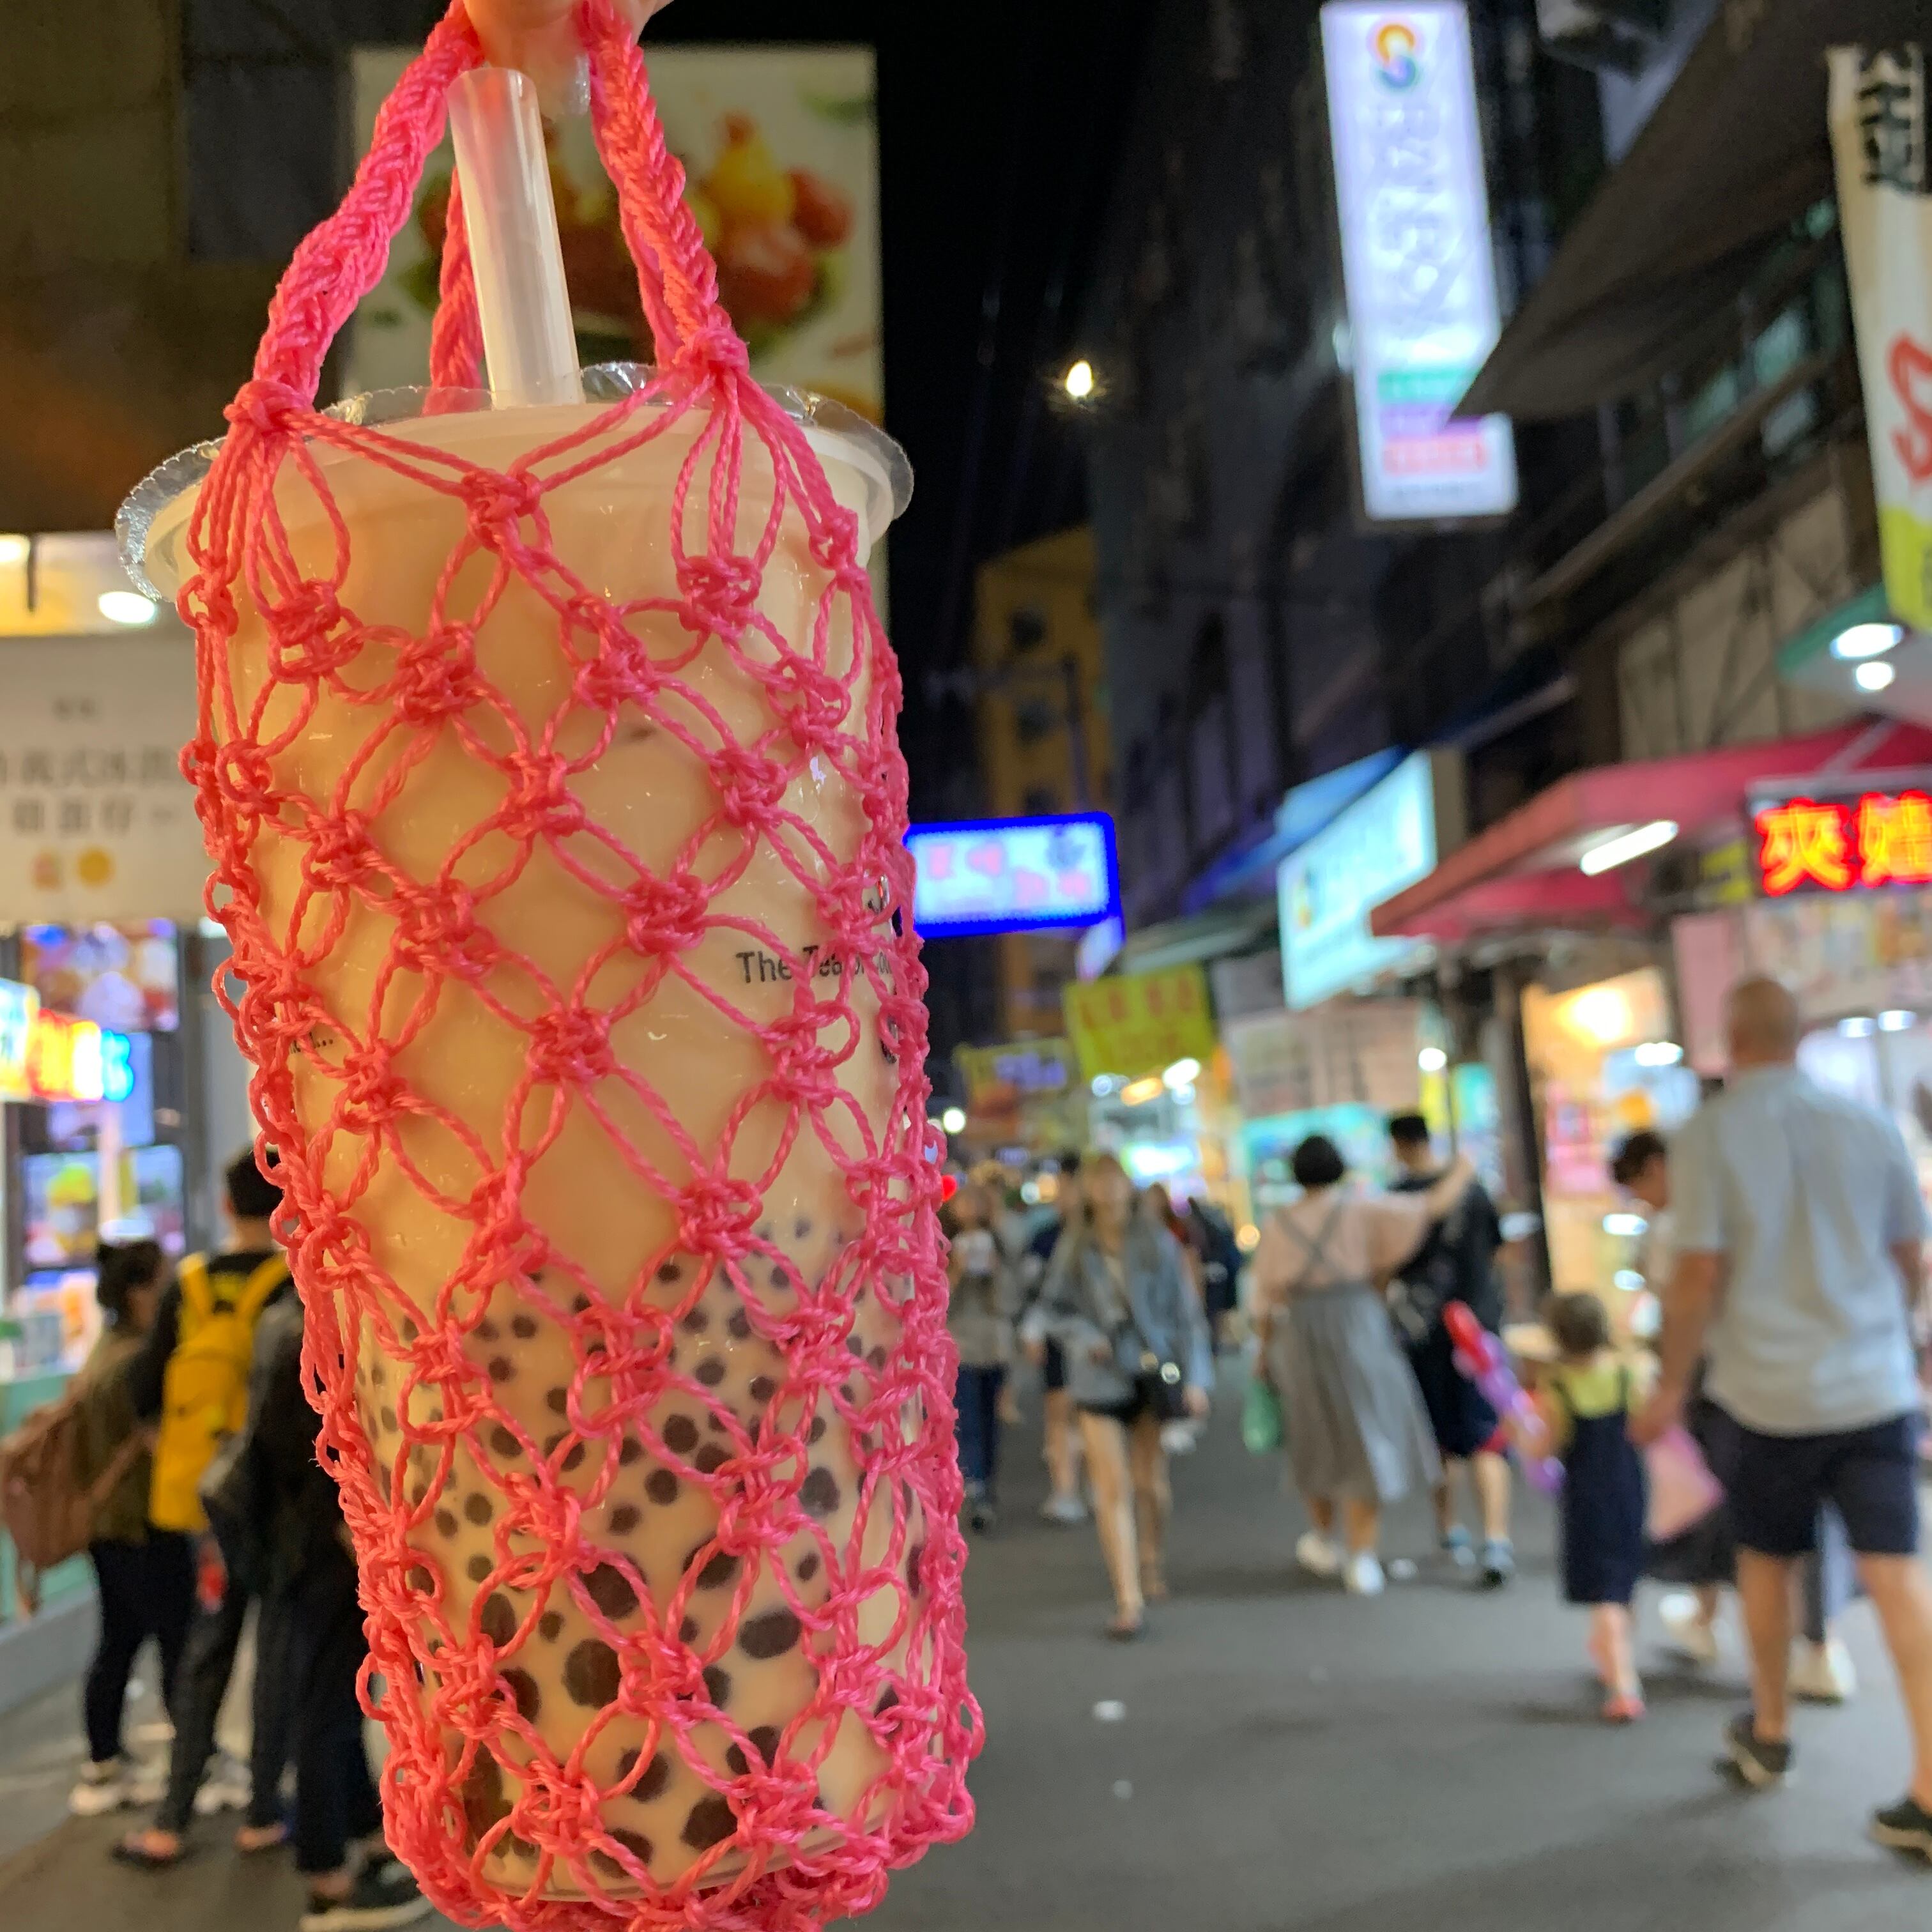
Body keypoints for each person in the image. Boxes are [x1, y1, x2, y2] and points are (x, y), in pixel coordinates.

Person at [1634, 976, 1932, 1856]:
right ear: (1800, 1037)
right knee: (1897, 1577)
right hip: (1874, 1388)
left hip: (1764, 1396)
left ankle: (1770, 1733)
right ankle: (1929, 1786)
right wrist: (1897, 1334)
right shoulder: (1870, 1123)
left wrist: (1667, 1386)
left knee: (1767, 1561)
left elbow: (1697, 1276)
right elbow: (1911, 1255)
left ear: (1731, 1040)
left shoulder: (1709, 1134)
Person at [1614, 1128, 1860, 1700]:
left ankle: (1764, 1665)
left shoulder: (1682, 1228)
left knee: (1741, 1519)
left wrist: (1668, 1388)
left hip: (1728, 1386)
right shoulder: (1779, 1210)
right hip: (1810, 1379)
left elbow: (1682, 1310)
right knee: (1800, 1517)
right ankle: (1813, 1646)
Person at [118, 1147, 296, 1867]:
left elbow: (142, 1388)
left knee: (206, 1651)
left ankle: (172, 1818)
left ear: (227, 1205)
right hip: (278, 1506)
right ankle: (263, 1812)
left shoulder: (187, 1284)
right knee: (277, 1652)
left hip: (211, 1509)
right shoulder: (295, 1283)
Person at [250, 1275, 428, 1928]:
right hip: (332, 1554)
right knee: (326, 1707)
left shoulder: (294, 1324)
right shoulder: (326, 1334)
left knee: (338, 1701)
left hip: (314, 1551)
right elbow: (318, 1454)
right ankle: (327, 1881)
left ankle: (366, 1837)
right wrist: (355, 1538)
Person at [1250, 1137, 1469, 1597]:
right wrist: (1464, 1168)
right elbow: (1429, 1207)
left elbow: (1265, 1299)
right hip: (1359, 1324)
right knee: (1366, 1434)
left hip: (1300, 1331)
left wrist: (1263, 1352)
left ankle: (1323, 1538)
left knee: (1313, 1438)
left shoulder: (1278, 1223)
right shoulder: (1361, 1209)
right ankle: (1362, 1554)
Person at [1025, 1152, 1213, 1639]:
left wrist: (1197, 1378)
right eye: (1098, 1182)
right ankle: (1128, 1599)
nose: (1107, 1190)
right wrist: (1082, 1335)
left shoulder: (1156, 1241)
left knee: (1151, 1486)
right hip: (1098, 1377)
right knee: (1111, 1489)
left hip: (1151, 1372)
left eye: (1115, 1181)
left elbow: (1186, 1314)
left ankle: (1150, 1560)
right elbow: (1052, 1306)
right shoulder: (1074, 1245)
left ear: (1129, 1187)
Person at [68, 1239, 195, 1815]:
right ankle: (190, 1762)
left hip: (109, 1526)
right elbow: (155, 1441)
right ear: (140, 1293)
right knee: (176, 1642)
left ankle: (104, 1761)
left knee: (119, 1640)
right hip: (144, 1522)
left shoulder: (101, 1355)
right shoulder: (136, 1363)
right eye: (164, 1283)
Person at [1386, 1112, 1515, 1586]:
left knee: (1437, 1437)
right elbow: (1497, 1253)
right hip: (1478, 1327)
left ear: (1399, 1144)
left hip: (1423, 1331)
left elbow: (1389, 1263)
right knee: (1486, 1434)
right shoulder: (1474, 1191)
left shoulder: (1397, 1198)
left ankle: (1449, 1532)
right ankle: (1497, 1539)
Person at [1535, 1293, 1649, 1722]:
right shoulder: (1627, 1374)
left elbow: (1545, 1446)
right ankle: (1614, 1649)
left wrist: (1520, 1431)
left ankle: (1623, 1684)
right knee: (1623, 1577)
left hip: (1586, 1495)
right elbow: (1645, 1426)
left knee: (1604, 1591)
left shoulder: (1558, 1386)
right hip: (1629, 1488)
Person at [944, 1177, 1018, 1533]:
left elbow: (1011, 1302)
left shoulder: (1000, 1245)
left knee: (990, 1421)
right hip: (960, 1348)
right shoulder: (943, 1247)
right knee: (968, 1420)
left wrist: (995, 1271)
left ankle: (986, 1483)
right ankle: (974, 1488)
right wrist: (956, 1271)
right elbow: (936, 1305)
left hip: (994, 1346)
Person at [1021, 1154, 1087, 1524]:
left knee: (1092, 1413)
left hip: (1098, 1343)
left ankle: (1096, 1484)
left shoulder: (1101, 1236)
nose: (1064, 1197)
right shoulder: (1044, 1238)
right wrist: (1032, 1330)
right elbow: (1032, 1290)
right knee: (1059, 1411)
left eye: (1070, 1188)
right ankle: (1065, 1490)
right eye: (1061, 1189)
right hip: (1057, 1337)